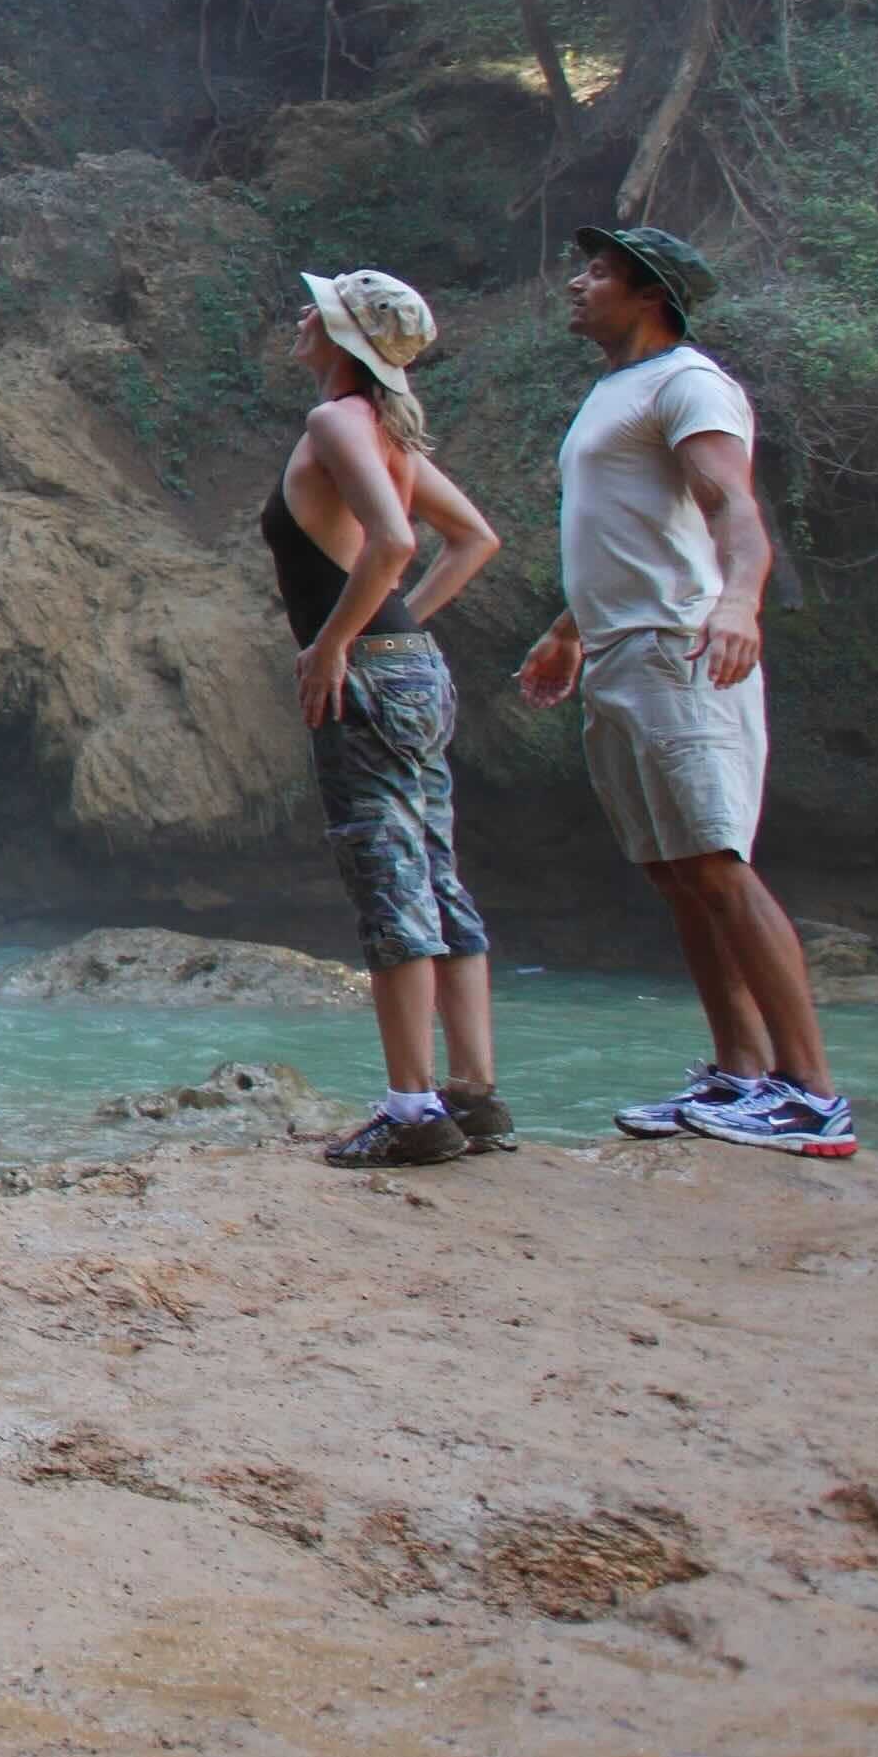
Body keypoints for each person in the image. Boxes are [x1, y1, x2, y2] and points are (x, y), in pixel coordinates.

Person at [514, 225, 849, 1155]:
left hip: (680, 651)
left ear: (649, 292)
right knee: (673, 874)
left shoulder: (688, 384)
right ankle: (740, 1076)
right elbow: (629, 529)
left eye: (599, 272)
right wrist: (567, 630)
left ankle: (812, 1095)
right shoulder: (613, 393)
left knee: (714, 862)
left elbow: (731, 505)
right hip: (620, 651)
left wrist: (741, 600)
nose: (577, 283)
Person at [267, 269, 510, 1167]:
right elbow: (475, 538)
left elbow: (396, 543)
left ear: (345, 338)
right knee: (437, 871)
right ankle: (474, 1096)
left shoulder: (336, 421)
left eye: (318, 311)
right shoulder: (387, 429)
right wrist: (401, 632)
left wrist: (335, 643)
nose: (303, 315)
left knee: (388, 874)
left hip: (369, 675)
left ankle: (412, 1109)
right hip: (413, 668)